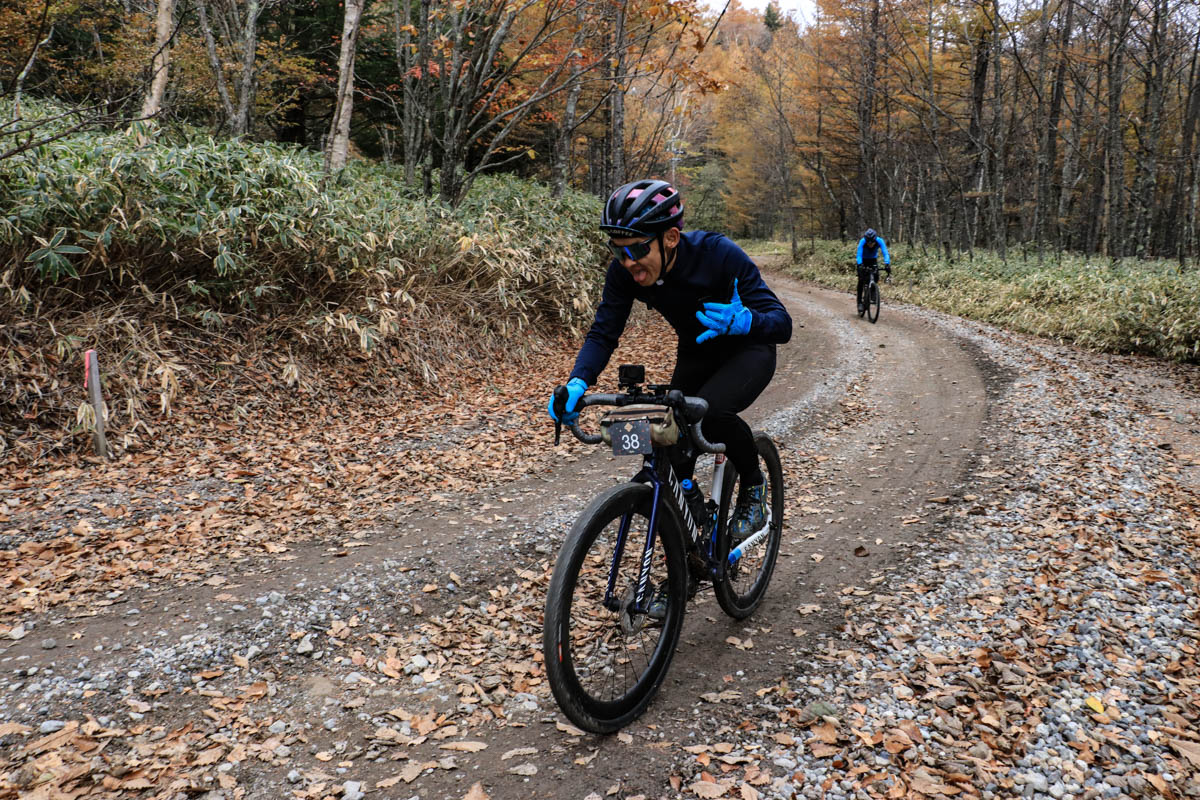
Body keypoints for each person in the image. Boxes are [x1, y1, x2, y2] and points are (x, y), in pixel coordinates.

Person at [548, 178, 792, 548]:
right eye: (618, 251)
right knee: (670, 451)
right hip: (696, 353)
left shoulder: (718, 254)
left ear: (671, 238)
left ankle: (754, 489)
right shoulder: (624, 273)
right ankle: (686, 559)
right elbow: (603, 333)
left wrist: (747, 322)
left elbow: (783, 324)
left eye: (637, 249)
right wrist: (578, 382)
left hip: (748, 350)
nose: (628, 262)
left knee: (710, 416)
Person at [855, 228, 891, 313]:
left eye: (872, 242)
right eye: (868, 243)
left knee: (876, 276)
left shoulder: (880, 241)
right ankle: (859, 302)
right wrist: (860, 264)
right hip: (863, 260)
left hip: (872, 260)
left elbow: (885, 252)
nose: (870, 244)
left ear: (875, 240)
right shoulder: (862, 241)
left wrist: (887, 263)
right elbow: (859, 254)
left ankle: (873, 293)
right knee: (861, 280)